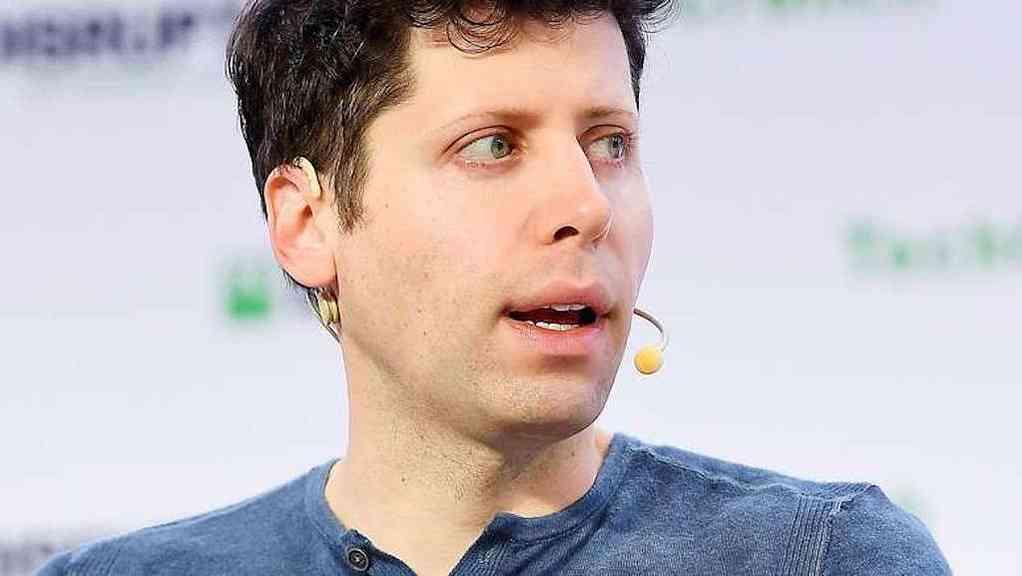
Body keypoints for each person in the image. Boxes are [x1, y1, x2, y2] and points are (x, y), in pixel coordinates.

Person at [38, 1, 952, 574]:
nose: (586, 206)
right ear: (307, 221)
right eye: (493, 146)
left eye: (610, 144)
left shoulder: (822, 558)